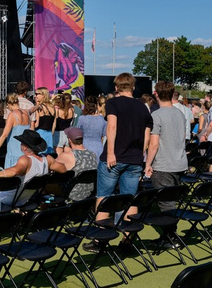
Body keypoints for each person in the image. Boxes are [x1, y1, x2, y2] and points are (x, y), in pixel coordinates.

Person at [96, 73, 152, 222]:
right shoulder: (143, 107)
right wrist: (141, 155)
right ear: (133, 87)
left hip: (115, 157)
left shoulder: (112, 103)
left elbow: (112, 126)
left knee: (104, 197)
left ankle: (99, 238)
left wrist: (110, 153)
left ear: (116, 87)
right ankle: (126, 237)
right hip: (134, 159)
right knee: (130, 198)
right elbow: (147, 136)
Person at [144, 82, 188, 247]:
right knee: (171, 201)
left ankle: (171, 237)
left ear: (156, 94)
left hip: (164, 164)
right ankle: (170, 235)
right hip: (179, 162)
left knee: (166, 203)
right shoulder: (179, 113)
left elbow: (153, 144)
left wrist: (148, 163)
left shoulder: (157, 115)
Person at [0, 129, 63, 210]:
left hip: (10, 198)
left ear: (24, 147)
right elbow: (63, 169)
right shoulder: (47, 159)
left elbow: (14, 171)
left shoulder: (26, 160)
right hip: (24, 197)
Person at [54, 127, 98, 201]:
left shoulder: (67, 155)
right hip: (89, 194)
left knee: (46, 184)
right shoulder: (92, 154)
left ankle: (44, 210)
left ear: (69, 140)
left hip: (71, 194)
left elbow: (51, 166)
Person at [0, 93, 30, 169]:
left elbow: (4, 135)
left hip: (14, 151)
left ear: (8, 104)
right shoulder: (26, 113)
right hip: (25, 151)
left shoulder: (12, 115)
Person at [76, 96, 106, 161]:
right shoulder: (102, 119)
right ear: (96, 105)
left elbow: (77, 133)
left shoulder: (82, 119)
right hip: (99, 147)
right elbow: (103, 135)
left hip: (85, 146)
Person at [31, 87, 56, 154]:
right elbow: (54, 123)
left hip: (40, 133)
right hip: (49, 134)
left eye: (37, 94)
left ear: (43, 95)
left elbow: (36, 124)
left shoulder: (40, 107)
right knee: (48, 156)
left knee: (39, 155)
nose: (35, 96)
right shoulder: (53, 107)